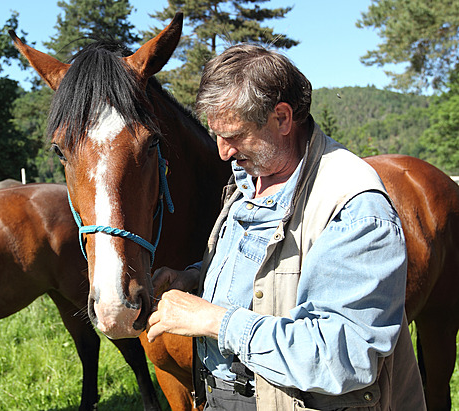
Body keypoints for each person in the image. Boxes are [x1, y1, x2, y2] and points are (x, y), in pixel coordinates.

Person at [146, 44, 425, 410]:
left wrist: (215, 321)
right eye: (216, 134)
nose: (223, 152)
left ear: (281, 118)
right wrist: (197, 277)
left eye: (234, 135)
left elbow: (343, 357)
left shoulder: (353, 207)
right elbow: (267, 272)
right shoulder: (251, 177)